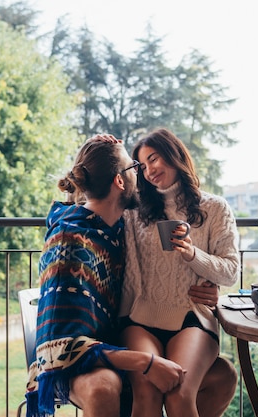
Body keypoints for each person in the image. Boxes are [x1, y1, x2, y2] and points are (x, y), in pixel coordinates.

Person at [25, 135, 237, 417]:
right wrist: (146, 362)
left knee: (201, 383)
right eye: (136, 165)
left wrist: (198, 267)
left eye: (151, 161)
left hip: (176, 321)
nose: (144, 171)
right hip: (108, 338)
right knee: (140, 388)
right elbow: (90, 190)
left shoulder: (116, 221)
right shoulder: (92, 233)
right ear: (121, 181)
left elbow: (95, 184)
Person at [120, 128, 240, 417]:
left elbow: (231, 272)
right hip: (141, 316)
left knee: (180, 393)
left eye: (154, 159)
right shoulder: (134, 210)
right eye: (142, 165)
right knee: (146, 390)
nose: (149, 170)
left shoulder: (215, 208)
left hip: (191, 315)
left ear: (175, 156)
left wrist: (192, 255)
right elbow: (89, 197)